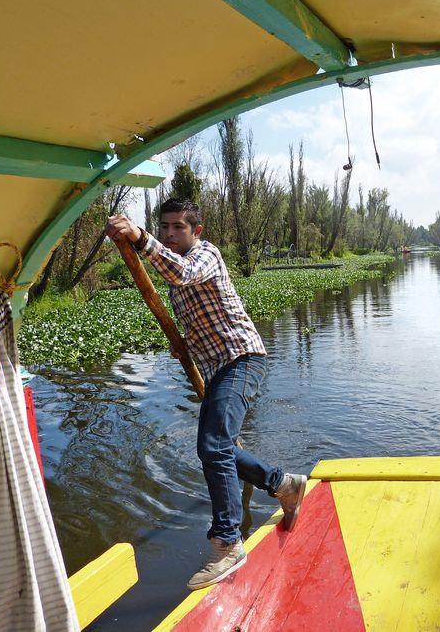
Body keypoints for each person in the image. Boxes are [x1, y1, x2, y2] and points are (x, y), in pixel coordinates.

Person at [105, 200, 307, 590]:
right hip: (217, 368)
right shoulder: (174, 266)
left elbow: (183, 274)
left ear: (196, 231)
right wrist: (184, 344)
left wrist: (141, 238)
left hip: (242, 358)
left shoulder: (206, 255)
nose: (168, 233)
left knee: (213, 446)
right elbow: (200, 313)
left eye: (177, 227)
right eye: (163, 226)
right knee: (217, 448)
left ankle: (227, 543)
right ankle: (284, 485)